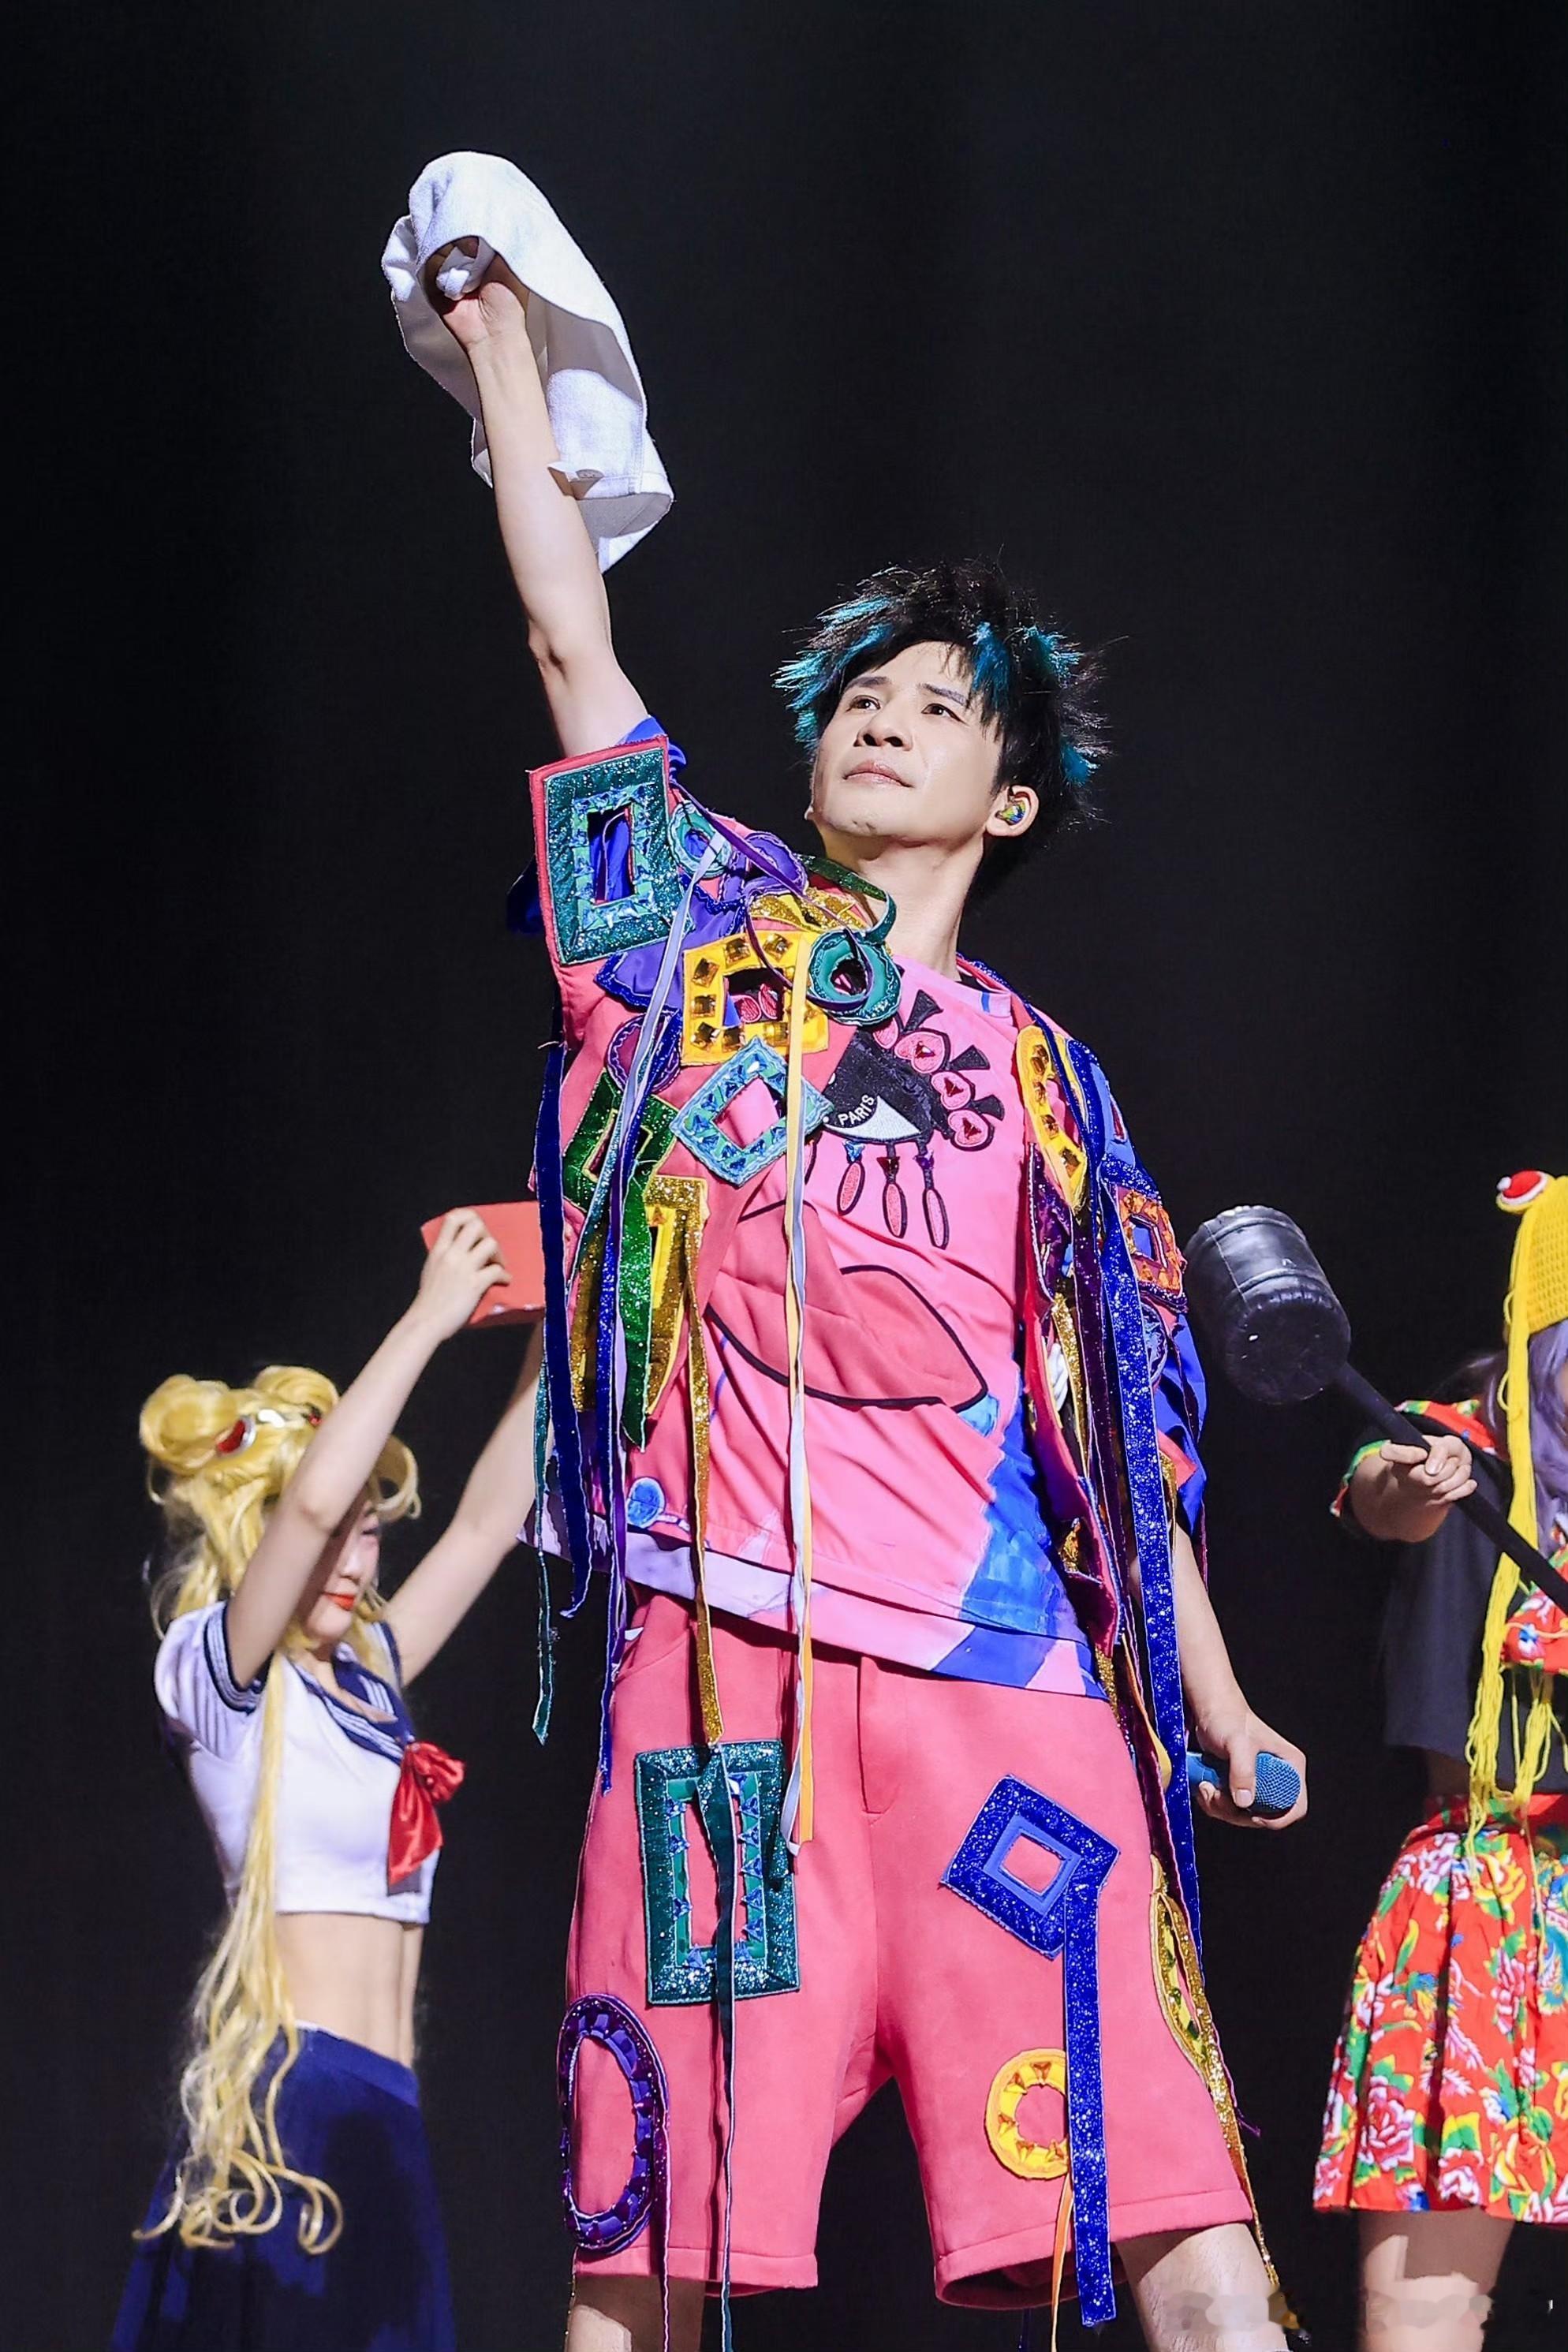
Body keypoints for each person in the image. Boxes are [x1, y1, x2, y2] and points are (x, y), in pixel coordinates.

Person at [429, 237, 1307, 2352]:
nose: (882, 721)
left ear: (1008, 799)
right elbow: (568, 638)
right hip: (727, 1699)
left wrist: (1212, 1699)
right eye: (859, 698)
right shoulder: (683, 941)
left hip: (1007, 1703)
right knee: (653, 2249)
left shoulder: (1050, 1084)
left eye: (937, 708)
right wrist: (501, 357)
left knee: (1186, 2229)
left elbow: (1112, 1429)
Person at [113, 1211, 542, 2352]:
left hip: (382, 2121)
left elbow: (488, 1525)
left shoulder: (369, 1677)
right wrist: (429, 1319)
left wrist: (566, 1328)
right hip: (292, 2116)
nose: (353, 1556)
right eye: (333, 1535)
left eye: (371, 1535)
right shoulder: (215, 1677)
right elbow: (309, 1503)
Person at [1315, 1170, 1568, 2352]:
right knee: (1423, 2322)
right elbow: (1384, 1489)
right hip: (1489, 1899)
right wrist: (1408, 1481)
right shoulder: (1464, 1439)